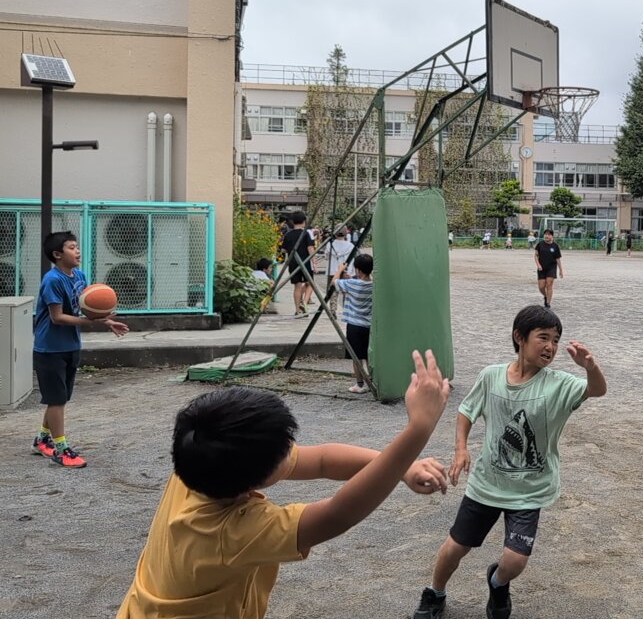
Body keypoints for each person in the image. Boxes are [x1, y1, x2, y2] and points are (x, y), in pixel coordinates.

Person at [117, 354, 451, 619]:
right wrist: (419, 429)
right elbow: (338, 513)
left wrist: (404, 468)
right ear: (257, 478)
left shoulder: (197, 464)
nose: (293, 451)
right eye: (284, 452)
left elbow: (322, 460)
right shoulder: (230, 532)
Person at [412, 305, 607, 619]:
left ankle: (498, 582)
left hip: (529, 490)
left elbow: (597, 390)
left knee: (515, 561)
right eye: (543, 337)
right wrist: (461, 449)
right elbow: (466, 411)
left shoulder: (559, 384)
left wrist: (590, 367)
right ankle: (435, 592)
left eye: (556, 340)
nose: (551, 346)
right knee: (455, 547)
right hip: (487, 484)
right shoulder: (491, 376)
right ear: (519, 337)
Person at [32, 231, 129, 468]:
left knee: (59, 398)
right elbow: (57, 317)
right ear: (57, 254)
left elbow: (87, 309)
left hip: (71, 345)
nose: (77, 251)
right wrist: (91, 323)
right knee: (56, 400)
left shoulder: (80, 276)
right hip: (50, 349)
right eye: (72, 247)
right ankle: (61, 449)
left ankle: (42, 440)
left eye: (77, 247)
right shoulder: (53, 280)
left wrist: (107, 321)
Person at [335, 253, 374, 394]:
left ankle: (360, 384)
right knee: (369, 356)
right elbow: (360, 282)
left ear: (358, 270)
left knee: (357, 357)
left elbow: (335, 282)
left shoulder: (352, 284)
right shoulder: (374, 285)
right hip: (369, 325)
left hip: (354, 326)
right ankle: (372, 382)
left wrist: (339, 270)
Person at [282, 211, 315, 316]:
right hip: (305, 262)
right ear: (304, 221)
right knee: (310, 283)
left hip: (293, 263)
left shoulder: (288, 235)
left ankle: (297, 310)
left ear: (293, 221)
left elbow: (283, 250)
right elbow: (310, 248)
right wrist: (314, 263)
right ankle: (304, 302)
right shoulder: (306, 233)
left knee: (297, 286)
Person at [325, 225, 355, 318]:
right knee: (346, 291)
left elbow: (326, 257)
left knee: (333, 291)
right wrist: (350, 271)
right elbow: (352, 259)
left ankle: (333, 310)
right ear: (346, 233)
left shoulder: (330, 244)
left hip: (332, 270)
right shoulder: (350, 246)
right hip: (345, 270)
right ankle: (346, 310)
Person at [534, 229, 563, 309]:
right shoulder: (540, 245)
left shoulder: (555, 246)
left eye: (548, 234)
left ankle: (548, 304)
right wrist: (538, 265)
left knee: (549, 285)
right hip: (541, 268)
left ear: (552, 236)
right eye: (545, 234)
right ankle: (546, 296)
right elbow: (536, 256)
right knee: (541, 287)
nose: (546, 236)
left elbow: (558, 259)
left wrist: (561, 270)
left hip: (551, 268)